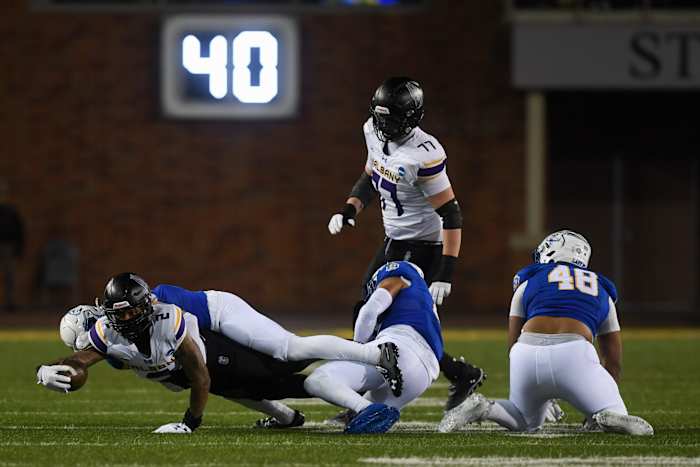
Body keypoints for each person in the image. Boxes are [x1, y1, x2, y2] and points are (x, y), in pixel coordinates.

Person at [327, 76, 484, 410]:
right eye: (380, 117)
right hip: (395, 240)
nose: (383, 125)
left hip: (424, 245)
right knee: (365, 306)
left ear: (411, 117)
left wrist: (445, 272)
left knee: (402, 317)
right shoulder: (372, 130)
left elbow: (452, 217)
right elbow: (372, 175)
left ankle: (373, 383)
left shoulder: (424, 155)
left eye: (391, 118)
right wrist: (349, 209)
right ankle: (460, 373)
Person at [438, 230, 654, 436]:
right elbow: (613, 360)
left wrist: (541, 389)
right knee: (616, 414)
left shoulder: (528, 281)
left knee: (525, 420)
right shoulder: (602, 290)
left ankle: (485, 408)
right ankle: (603, 415)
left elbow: (513, 345)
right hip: (574, 353)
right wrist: (601, 392)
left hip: (526, 354)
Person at [40, 273, 318, 433]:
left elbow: (194, 363)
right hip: (190, 369)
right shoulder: (111, 341)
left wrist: (190, 422)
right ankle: (289, 417)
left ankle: (354, 353)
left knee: (281, 364)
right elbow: (86, 359)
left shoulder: (160, 307)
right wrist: (44, 370)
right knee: (242, 389)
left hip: (215, 333)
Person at [304, 260, 442, 434]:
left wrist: (358, 348)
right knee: (366, 415)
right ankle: (360, 410)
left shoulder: (397, 275)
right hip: (423, 376)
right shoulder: (422, 304)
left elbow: (370, 310)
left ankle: (361, 407)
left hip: (399, 349)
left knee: (317, 380)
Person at [0, 181, 24, 312]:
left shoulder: (11, 212)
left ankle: (9, 303)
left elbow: (19, 231)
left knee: (9, 277)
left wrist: (19, 249)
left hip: (8, 248)